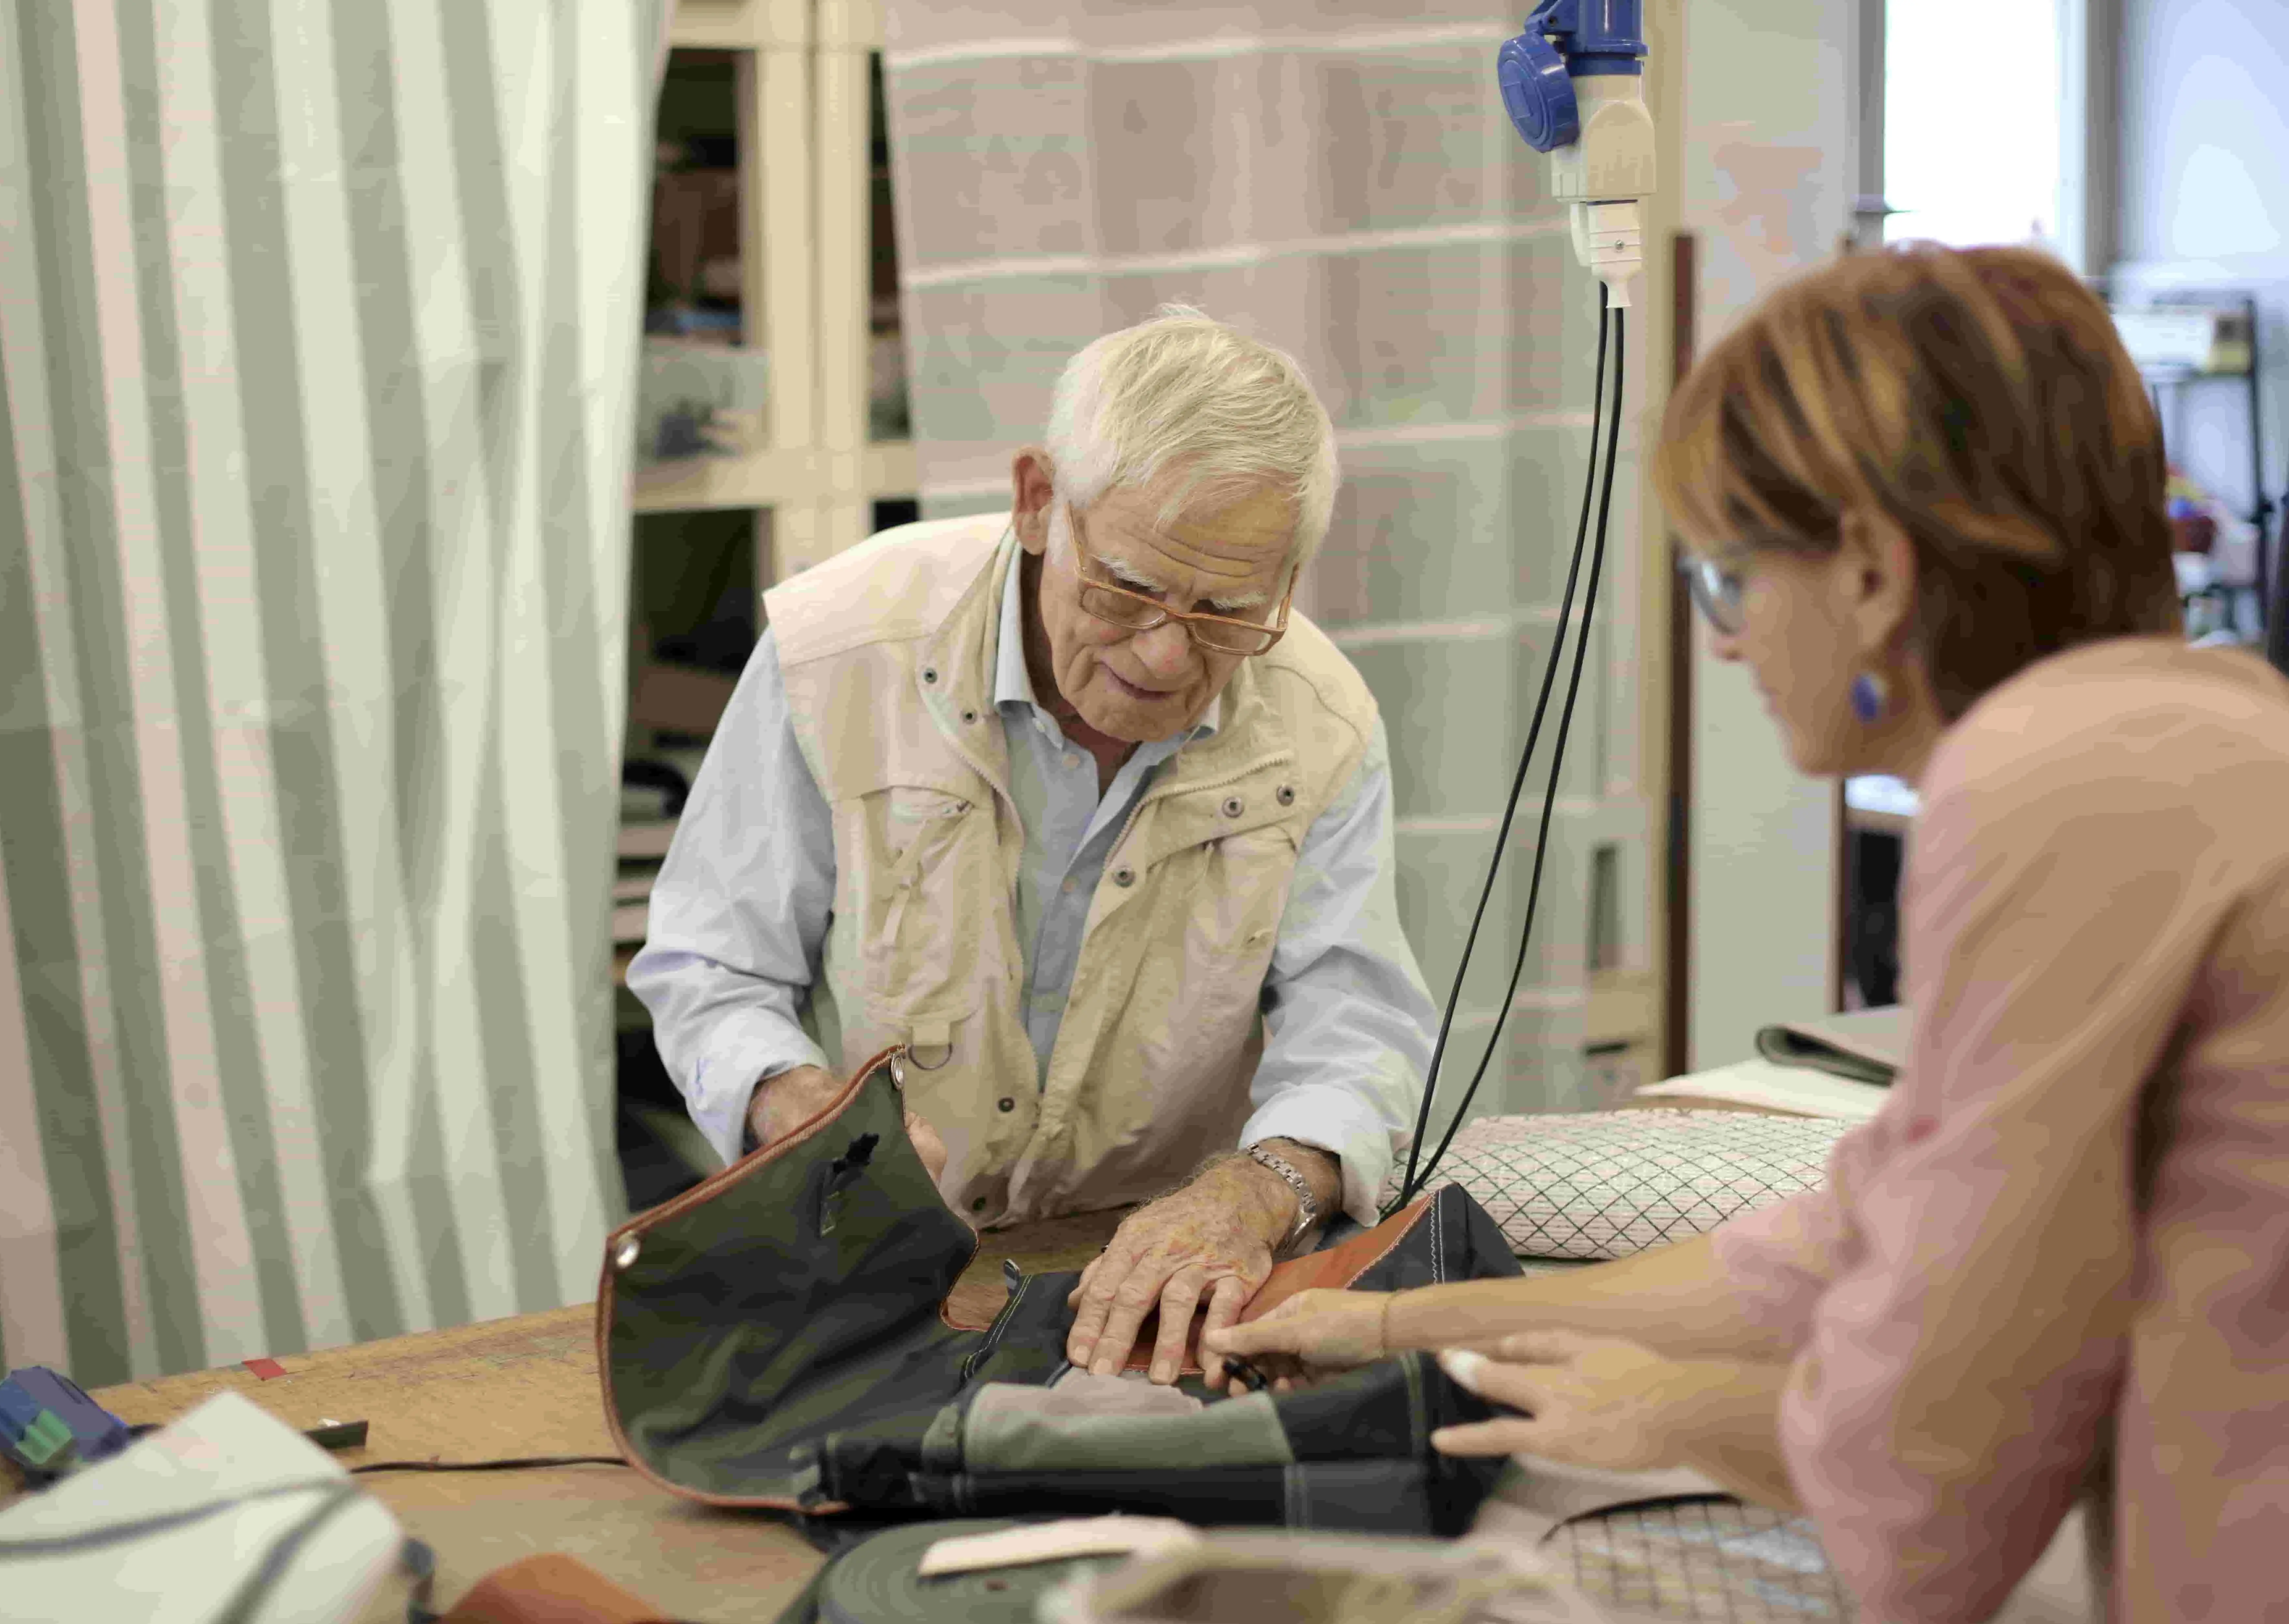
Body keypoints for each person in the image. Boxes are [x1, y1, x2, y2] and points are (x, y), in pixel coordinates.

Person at [1206, 244, 2289, 1621]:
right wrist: (1394, 1321)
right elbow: (1844, 1244)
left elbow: (1944, 1469)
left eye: (1727, 575)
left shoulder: (2053, 779)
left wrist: (1676, 1412)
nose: (1723, 639)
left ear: (1873, 575)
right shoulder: (2193, 728)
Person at [628, 307, 1438, 1388]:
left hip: (1162, 1281)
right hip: (872, 1268)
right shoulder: (841, 649)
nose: (1162, 655)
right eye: (1130, 588)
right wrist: (805, 1112)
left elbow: (1356, 1026)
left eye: (1227, 612)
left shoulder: (1320, 716)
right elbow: (711, 965)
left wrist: (1246, 1197)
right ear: (1040, 502)